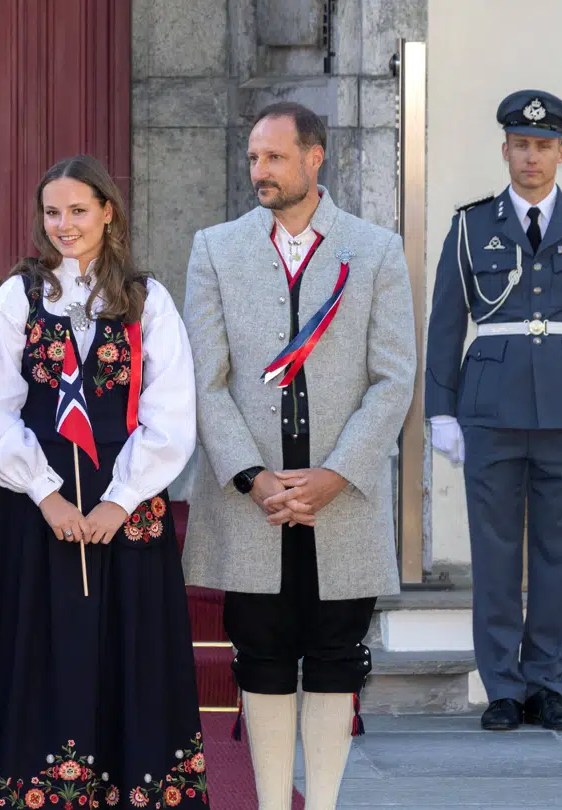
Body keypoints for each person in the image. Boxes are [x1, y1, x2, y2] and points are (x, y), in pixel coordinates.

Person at [0, 154, 205, 809]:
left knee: (128, 655)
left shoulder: (147, 298)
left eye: (78, 210)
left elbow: (171, 411)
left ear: (108, 211)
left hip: (125, 505)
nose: (64, 224)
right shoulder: (20, 295)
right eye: (53, 212)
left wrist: (119, 500)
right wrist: (48, 495)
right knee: (37, 650)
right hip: (36, 509)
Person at [182, 102, 415, 810]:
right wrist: (252, 477)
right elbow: (204, 377)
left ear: (315, 158)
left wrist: (337, 474)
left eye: (275, 157)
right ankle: (271, 801)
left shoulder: (373, 250)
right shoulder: (215, 248)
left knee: (337, 655)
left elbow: (394, 376)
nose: (260, 171)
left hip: (341, 499)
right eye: (254, 158)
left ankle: (326, 802)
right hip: (249, 501)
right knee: (261, 656)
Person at [424, 89, 562, 731]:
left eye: (544, 147)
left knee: (559, 551)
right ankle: (504, 690)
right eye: (521, 145)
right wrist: (442, 411)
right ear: (506, 149)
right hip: (490, 410)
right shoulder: (471, 225)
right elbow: (446, 323)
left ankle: (547, 683)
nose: (532, 157)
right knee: (492, 554)